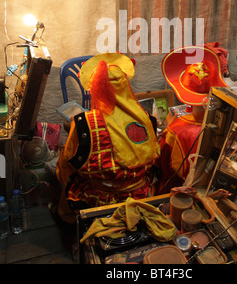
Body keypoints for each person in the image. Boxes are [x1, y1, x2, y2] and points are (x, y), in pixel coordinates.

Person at [56, 53, 160, 223]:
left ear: (96, 90)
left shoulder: (84, 124)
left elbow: (66, 166)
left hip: (98, 202)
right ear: (126, 86)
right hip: (139, 198)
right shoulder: (148, 119)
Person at [155, 45, 228, 194]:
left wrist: (170, 127)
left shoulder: (176, 129)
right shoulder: (226, 123)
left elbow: (163, 166)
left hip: (178, 194)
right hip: (216, 189)